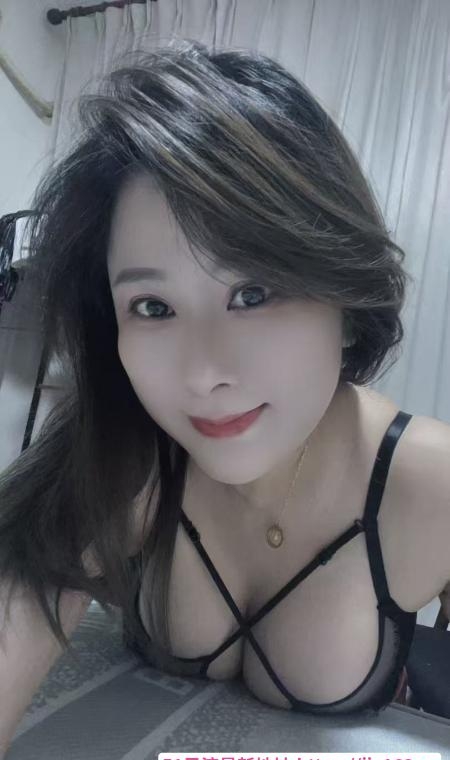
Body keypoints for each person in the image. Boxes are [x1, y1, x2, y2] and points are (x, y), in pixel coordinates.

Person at [1, 40, 449, 727]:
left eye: (254, 292)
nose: (204, 374)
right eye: (153, 307)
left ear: (344, 291)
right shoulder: (122, 450)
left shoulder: (433, 487)